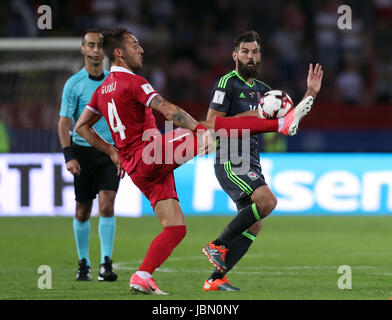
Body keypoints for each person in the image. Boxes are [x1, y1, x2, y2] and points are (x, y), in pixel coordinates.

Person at [74, 27, 316, 295]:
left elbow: (82, 127)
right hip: (152, 153)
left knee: (175, 228)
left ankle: (142, 275)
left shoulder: (101, 90)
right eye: (134, 45)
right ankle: (282, 124)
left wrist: (112, 152)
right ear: (118, 53)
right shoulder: (134, 82)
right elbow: (167, 109)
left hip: (137, 168)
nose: (141, 49)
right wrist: (199, 132)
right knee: (207, 130)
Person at [202, 30, 323, 291]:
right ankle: (217, 245)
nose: (251, 56)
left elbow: (289, 122)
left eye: (255, 52)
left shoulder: (266, 92)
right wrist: (254, 114)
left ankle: (215, 279)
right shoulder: (227, 83)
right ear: (235, 55)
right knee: (268, 201)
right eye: (245, 51)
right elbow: (212, 123)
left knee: (254, 223)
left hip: (252, 160)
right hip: (231, 156)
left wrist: (310, 94)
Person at [58, 29, 120, 282]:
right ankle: (83, 263)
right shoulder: (73, 84)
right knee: (83, 209)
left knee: (107, 205)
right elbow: (64, 123)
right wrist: (69, 156)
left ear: (104, 51)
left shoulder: (114, 83)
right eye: (91, 45)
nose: (96, 50)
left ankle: (106, 264)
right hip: (82, 152)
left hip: (109, 153)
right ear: (83, 50)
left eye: (100, 46)